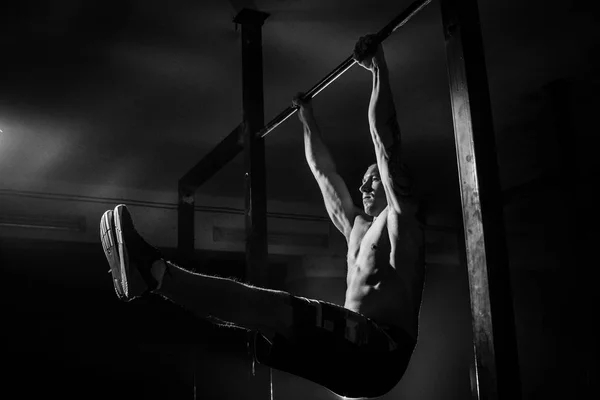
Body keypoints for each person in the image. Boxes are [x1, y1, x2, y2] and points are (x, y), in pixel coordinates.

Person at [100, 34, 425, 399]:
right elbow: (324, 173)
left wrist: (378, 66)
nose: (364, 188)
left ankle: (157, 273)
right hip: (350, 358)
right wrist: (307, 119)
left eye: (373, 181)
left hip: (382, 350)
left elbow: (385, 143)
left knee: (276, 308)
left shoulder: (401, 218)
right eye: (363, 182)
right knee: (264, 323)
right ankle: (157, 280)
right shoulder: (356, 228)